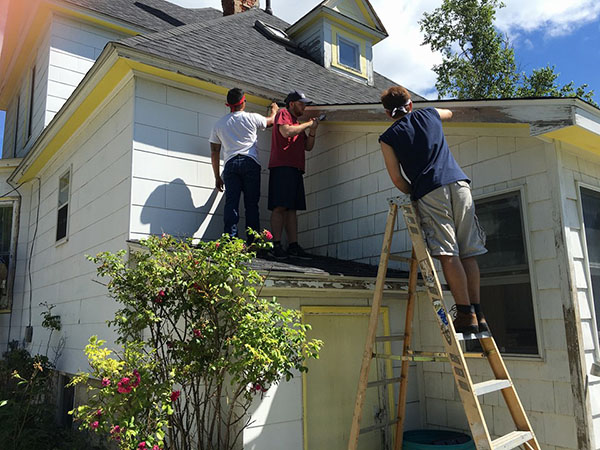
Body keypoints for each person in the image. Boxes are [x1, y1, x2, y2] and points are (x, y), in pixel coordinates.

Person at [378, 86, 488, 334]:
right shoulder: (429, 114)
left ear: (387, 113)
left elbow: (397, 179)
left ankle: (464, 314)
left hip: (430, 190)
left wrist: (414, 192)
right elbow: (448, 112)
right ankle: (479, 313)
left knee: (449, 253)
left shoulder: (388, 138)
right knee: (468, 252)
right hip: (460, 185)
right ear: (410, 104)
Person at [210, 88, 278, 241]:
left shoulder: (219, 124)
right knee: (251, 204)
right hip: (250, 162)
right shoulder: (252, 118)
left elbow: (214, 151)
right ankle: (252, 241)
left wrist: (216, 176)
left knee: (231, 203)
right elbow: (271, 122)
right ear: (243, 102)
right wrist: (274, 110)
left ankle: (230, 240)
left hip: (231, 164)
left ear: (229, 104)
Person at [267, 90, 320, 259]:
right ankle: (275, 245)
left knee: (291, 209)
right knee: (280, 206)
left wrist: (313, 131)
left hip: (295, 169)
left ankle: (293, 245)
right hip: (282, 167)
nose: (304, 106)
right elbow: (286, 132)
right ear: (291, 104)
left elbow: (308, 147)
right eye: (301, 103)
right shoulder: (283, 113)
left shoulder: (297, 123)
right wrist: (308, 125)